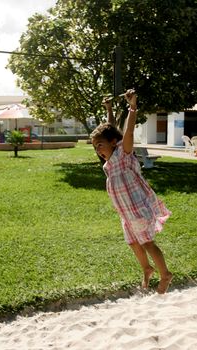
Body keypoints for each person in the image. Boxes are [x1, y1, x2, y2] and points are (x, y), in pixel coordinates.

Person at [90, 90, 172, 294]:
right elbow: (110, 130)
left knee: (147, 243)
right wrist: (109, 109)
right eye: (95, 147)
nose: (97, 149)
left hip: (137, 209)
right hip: (126, 212)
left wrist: (132, 107)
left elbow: (126, 133)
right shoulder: (109, 162)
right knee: (133, 243)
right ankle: (147, 268)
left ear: (112, 143)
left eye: (100, 145)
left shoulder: (124, 155)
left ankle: (165, 275)